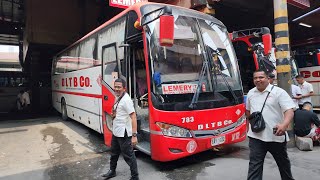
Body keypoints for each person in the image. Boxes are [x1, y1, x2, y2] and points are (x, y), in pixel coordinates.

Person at [246, 69, 295, 180]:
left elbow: (289, 110)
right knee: (254, 165)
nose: (258, 80)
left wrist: (284, 124)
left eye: (261, 77)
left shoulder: (278, 92)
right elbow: (248, 111)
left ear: (268, 78)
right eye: (255, 78)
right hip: (256, 136)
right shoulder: (251, 93)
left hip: (275, 136)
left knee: (283, 164)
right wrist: (252, 125)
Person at [101, 78, 139, 180]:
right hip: (117, 131)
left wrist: (134, 136)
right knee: (114, 153)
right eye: (115, 86)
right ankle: (112, 171)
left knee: (129, 156)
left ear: (124, 88)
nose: (116, 89)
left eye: (119, 87)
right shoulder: (118, 97)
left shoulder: (126, 100)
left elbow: (133, 116)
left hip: (124, 133)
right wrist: (114, 115)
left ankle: (135, 177)